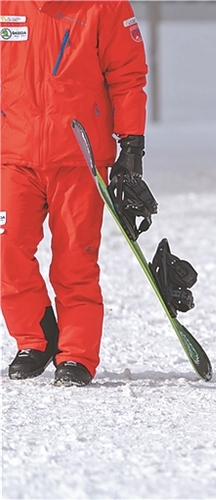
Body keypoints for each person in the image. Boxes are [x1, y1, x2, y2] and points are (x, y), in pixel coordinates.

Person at [1, 2, 148, 386]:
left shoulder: (106, 6)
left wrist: (132, 144)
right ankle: (35, 339)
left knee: (75, 260)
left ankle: (76, 354)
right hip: (13, 154)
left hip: (81, 155)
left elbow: (128, 75)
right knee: (6, 251)